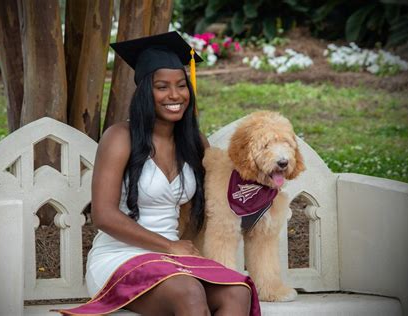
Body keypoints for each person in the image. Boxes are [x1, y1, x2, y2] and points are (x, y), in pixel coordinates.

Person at [57, 32, 260, 316]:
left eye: (181, 85)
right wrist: (169, 246)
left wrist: (260, 180)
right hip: (121, 257)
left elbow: (222, 193)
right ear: (144, 92)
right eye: (162, 86)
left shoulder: (194, 142)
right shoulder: (120, 137)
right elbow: (103, 214)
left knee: (237, 292)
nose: (175, 95)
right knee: (188, 292)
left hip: (175, 259)